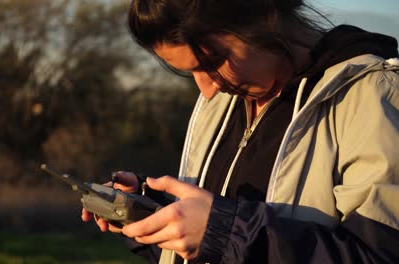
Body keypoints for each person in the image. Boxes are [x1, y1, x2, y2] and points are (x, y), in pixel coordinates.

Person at [82, 0, 399, 263]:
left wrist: (222, 232)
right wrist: (150, 212)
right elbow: (213, 243)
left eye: (212, 61)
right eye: (189, 72)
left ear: (264, 16)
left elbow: (378, 255)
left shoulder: (374, 96)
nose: (206, 90)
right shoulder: (224, 100)